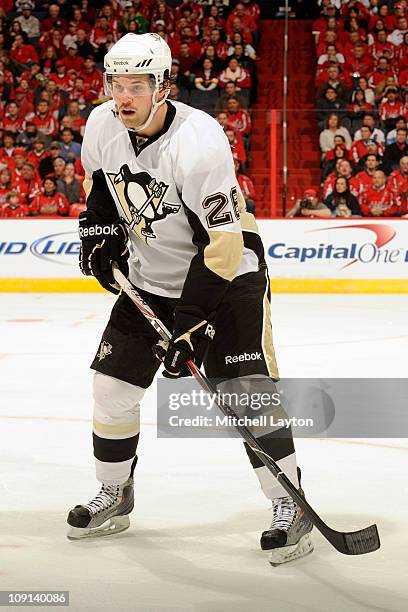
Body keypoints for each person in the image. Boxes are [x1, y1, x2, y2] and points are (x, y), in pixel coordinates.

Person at [66, 33, 313, 565]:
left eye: (137, 85)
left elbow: (222, 244)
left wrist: (193, 323)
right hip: (151, 278)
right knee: (110, 390)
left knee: (247, 394)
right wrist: (98, 234)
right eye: (116, 84)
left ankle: (289, 507)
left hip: (225, 278)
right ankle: (116, 492)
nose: (124, 96)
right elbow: (102, 192)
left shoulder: (199, 140)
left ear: (165, 87)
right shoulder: (101, 124)